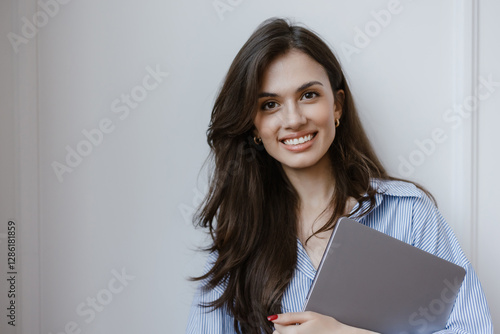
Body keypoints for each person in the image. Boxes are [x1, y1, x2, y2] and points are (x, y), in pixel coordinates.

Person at [185, 17, 493, 334]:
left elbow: (474, 328)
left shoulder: (408, 213)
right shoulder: (238, 236)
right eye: (270, 104)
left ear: (337, 106)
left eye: (308, 95)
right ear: (254, 127)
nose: (292, 119)